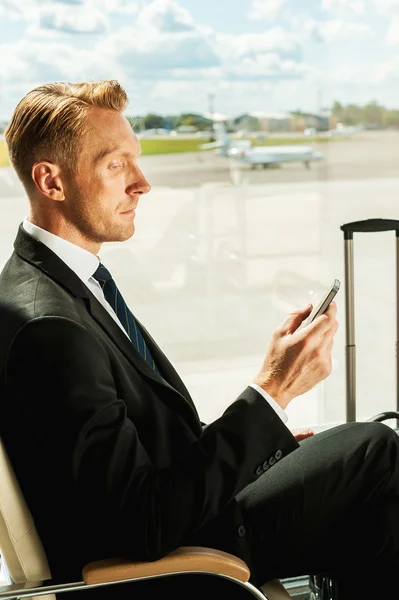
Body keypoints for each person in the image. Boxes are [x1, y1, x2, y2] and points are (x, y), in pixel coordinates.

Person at [1, 80, 398, 600]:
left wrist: (267, 436)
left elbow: (139, 438)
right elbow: (143, 523)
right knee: (376, 451)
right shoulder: (48, 329)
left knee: (365, 467)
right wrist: (272, 390)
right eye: (116, 165)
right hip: (187, 556)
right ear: (51, 181)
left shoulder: (58, 285)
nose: (142, 183)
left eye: (135, 162)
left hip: (188, 516)